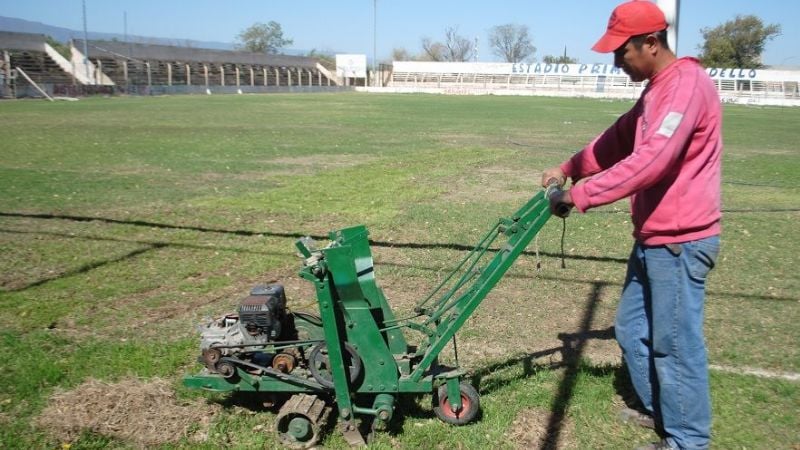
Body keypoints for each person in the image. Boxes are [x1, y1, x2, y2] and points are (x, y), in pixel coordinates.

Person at [541, 1, 722, 449]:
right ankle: (663, 412)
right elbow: (617, 140)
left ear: (651, 43)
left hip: (680, 242)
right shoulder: (656, 89)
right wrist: (569, 166)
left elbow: (651, 162)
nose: (616, 62)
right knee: (630, 328)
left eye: (621, 53)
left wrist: (577, 195)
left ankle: (687, 440)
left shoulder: (686, 86)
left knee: (674, 345)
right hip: (653, 239)